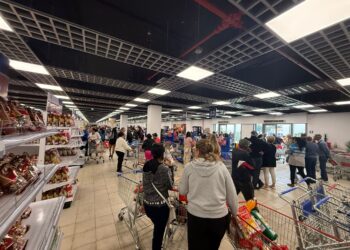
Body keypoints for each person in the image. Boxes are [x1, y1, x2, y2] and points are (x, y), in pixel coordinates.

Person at [180, 139, 238, 250]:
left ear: (197, 151)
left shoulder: (189, 167)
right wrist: (235, 214)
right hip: (218, 218)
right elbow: (232, 195)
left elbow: (182, 191)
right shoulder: (221, 167)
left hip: (196, 216)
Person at [143, 144, 173, 250]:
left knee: (158, 226)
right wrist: (170, 168)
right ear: (163, 154)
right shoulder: (164, 169)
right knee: (158, 234)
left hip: (147, 204)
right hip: (160, 207)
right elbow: (170, 185)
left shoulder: (146, 165)